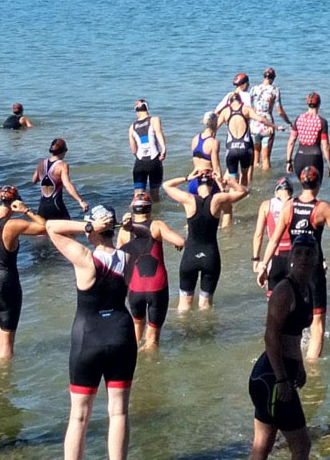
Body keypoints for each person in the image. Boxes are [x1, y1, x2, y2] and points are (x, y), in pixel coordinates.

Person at [46, 205, 140, 460]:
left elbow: (51, 227)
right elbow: (148, 236)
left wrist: (86, 226)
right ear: (113, 229)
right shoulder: (128, 256)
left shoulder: (85, 259)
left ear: (94, 230)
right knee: (119, 412)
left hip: (88, 338)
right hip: (121, 335)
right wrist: (130, 228)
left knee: (79, 415)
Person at [257, 166, 330, 360]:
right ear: (319, 184)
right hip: (313, 270)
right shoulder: (322, 208)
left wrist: (263, 265)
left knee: (290, 317)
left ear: (301, 182)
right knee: (317, 324)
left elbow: (274, 240)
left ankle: (285, 358)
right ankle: (312, 369)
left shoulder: (288, 206)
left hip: (293, 268)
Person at [248, 235, 319, 460]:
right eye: (298, 253)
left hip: (279, 373)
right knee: (302, 446)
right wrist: (281, 379)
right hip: (271, 376)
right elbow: (271, 337)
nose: (304, 258)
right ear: (290, 257)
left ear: (316, 258)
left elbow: (295, 336)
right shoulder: (284, 291)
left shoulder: (307, 288)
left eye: (309, 253)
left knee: (263, 445)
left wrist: (299, 365)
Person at [0, 186, 47, 358]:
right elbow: (43, 227)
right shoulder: (13, 225)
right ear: (15, 203)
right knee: (5, 346)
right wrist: (26, 210)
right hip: (6, 286)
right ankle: (2, 383)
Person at [163, 170, 247, 311]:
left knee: (184, 306)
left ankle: (184, 332)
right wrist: (226, 181)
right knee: (205, 306)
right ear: (212, 183)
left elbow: (166, 185)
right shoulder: (217, 199)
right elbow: (244, 191)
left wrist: (187, 177)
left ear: (196, 184)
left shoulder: (189, 199)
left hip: (190, 257)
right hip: (210, 257)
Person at [116, 192, 184, 350]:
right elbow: (180, 241)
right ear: (150, 209)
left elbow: (119, 259)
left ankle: (134, 365)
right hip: (157, 287)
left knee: (136, 327)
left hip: (135, 288)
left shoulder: (124, 231)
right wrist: (178, 243)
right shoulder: (157, 226)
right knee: (153, 336)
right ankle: (151, 368)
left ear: (133, 209)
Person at [216, 90, 276, 191]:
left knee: (232, 178)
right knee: (244, 175)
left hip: (231, 149)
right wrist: (275, 126)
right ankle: (243, 195)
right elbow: (261, 119)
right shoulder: (246, 109)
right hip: (245, 148)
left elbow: (215, 128)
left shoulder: (225, 111)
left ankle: (232, 199)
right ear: (241, 101)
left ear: (230, 102)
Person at [252, 178, 295, 297]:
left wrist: (256, 260)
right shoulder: (297, 204)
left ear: (276, 192)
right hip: (295, 256)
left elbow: (259, 235)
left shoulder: (266, 206)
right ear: (291, 192)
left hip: (275, 256)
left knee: (273, 303)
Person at [285, 92, 330, 185]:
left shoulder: (298, 119)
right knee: (314, 188)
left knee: (304, 189)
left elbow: (291, 142)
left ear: (307, 104)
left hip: (299, 158)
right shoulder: (322, 122)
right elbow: (325, 146)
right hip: (314, 158)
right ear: (319, 104)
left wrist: (288, 161)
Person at [32, 138, 88, 220]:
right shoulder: (62, 165)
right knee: (68, 231)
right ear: (64, 151)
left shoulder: (41, 163)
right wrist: (80, 201)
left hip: (42, 206)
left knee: (44, 231)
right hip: (56, 205)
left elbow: (34, 180)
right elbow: (67, 184)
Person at [249, 68, 292, 171]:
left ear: (264, 76)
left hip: (254, 124)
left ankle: (255, 180)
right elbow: (280, 111)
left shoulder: (254, 89)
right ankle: (266, 182)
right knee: (266, 158)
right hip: (267, 126)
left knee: (255, 158)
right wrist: (289, 122)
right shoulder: (274, 90)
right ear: (273, 78)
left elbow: (251, 108)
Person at [128, 100, 167, 202]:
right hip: (154, 161)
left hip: (140, 163)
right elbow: (159, 134)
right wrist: (163, 149)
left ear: (136, 111)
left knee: (138, 193)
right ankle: (156, 213)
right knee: (154, 192)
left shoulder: (132, 127)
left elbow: (133, 150)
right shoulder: (154, 120)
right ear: (147, 109)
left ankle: (136, 213)